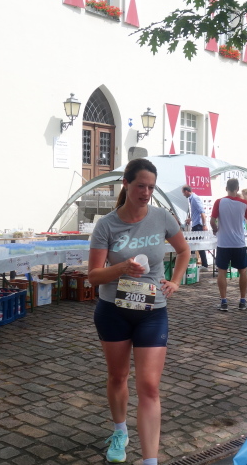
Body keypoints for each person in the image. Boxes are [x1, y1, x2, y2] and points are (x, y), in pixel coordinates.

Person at [88, 158, 190, 465]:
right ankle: (120, 431)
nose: (146, 193)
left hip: (152, 311)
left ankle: (150, 460)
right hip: (113, 310)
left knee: (148, 386)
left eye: (151, 187)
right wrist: (121, 268)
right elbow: (93, 276)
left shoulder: (162, 217)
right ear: (126, 184)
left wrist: (175, 281)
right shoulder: (107, 225)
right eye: (140, 186)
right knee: (118, 376)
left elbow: (184, 250)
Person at [211, 178, 247, 311]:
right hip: (238, 242)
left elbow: (212, 221)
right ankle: (242, 300)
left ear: (226, 188)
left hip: (223, 242)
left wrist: (215, 229)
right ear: (237, 188)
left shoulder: (219, 202)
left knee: (222, 272)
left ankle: (224, 301)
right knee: (243, 271)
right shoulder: (244, 203)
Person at [181, 185, 209, 269]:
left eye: (183, 193)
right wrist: (190, 219)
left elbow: (202, 212)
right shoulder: (191, 199)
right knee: (194, 245)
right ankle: (194, 264)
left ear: (186, 191)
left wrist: (204, 225)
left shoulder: (195, 198)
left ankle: (203, 264)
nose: (183, 195)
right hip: (195, 224)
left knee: (197, 245)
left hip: (198, 225)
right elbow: (196, 213)